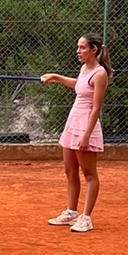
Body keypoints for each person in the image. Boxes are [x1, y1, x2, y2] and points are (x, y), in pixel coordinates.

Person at [41, 32, 111, 233]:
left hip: (86, 126)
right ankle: (71, 212)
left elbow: (96, 108)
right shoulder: (84, 69)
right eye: (78, 47)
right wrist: (55, 77)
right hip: (73, 124)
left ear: (93, 50)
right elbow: (77, 85)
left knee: (89, 174)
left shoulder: (100, 74)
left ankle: (86, 217)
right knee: (70, 171)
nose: (78, 51)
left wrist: (86, 136)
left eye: (81, 48)